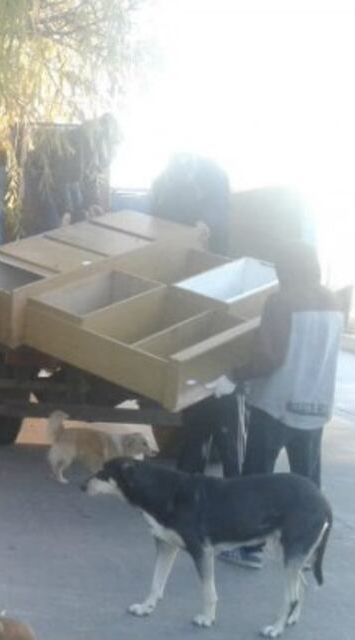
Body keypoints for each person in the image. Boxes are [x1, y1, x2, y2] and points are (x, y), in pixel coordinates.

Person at [220, 241, 345, 569]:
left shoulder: (281, 301)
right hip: (315, 406)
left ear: (285, 269)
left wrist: (234, 375)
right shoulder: (334, 301)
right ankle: (306, 550)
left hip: (276, 405)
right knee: (306, 482)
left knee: (257, 480)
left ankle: (249, 549)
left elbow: (268, 358)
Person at [150, 155, 240, 477]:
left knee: (204, 427)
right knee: (207, 428)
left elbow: (216, 219)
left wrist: (207, 225)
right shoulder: (170, 182)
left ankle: (195, 472)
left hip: (198, 260)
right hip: (184, 259)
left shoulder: (209, 178)